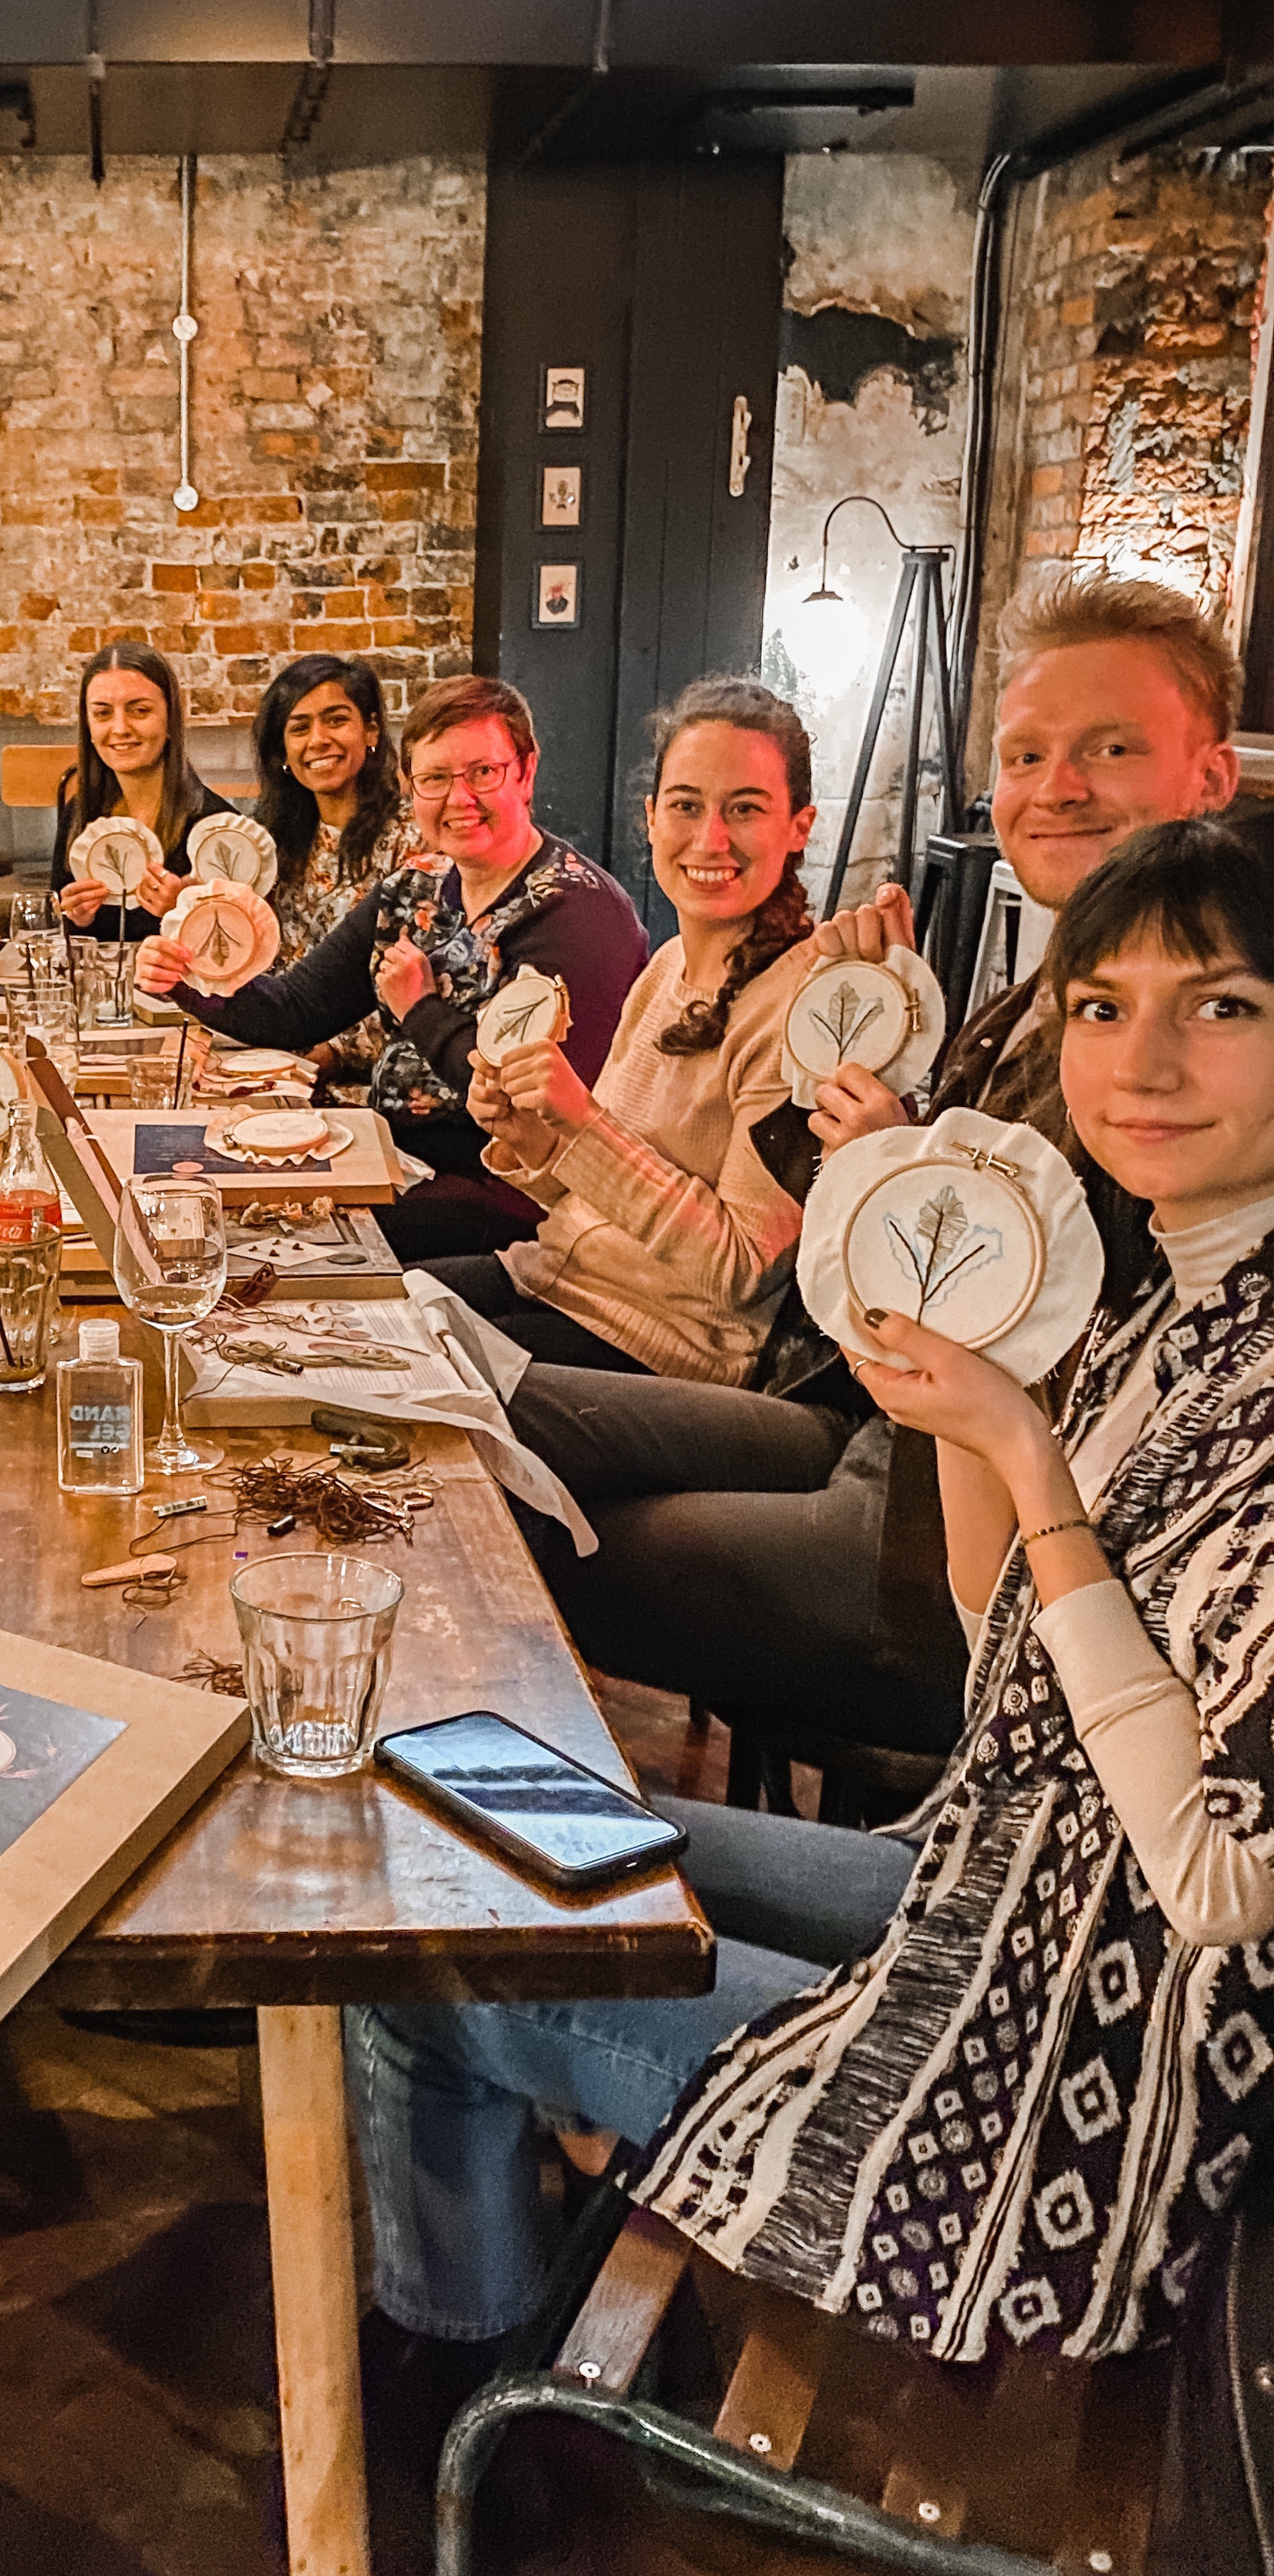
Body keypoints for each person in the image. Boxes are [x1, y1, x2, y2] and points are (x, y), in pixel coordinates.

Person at [352, 814, 1274, 2407]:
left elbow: (1214, 1879)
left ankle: (454, 2392)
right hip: (984, 1902)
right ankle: (499, 2307)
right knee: (455, 1813)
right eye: (1103, 1004)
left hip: (1069, 2085)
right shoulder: (1174, 1298)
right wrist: (954, 1410)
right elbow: (1012, 1665)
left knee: (405, 1934)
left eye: (1223, 1004)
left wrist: (1016, 1448)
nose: (1142, 1058)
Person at [509, 574, 1244, 1756]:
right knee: (485, 1443)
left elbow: (818, 1281)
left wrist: (888, 1153)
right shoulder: (1021, 1009)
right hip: (858, 1421)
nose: (1054, 787)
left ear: (1207, 778)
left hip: (950, 1539)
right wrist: (871, 1078)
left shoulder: (1182, 1073)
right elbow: (870, 1264)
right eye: (1023, 756)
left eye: (1105, 749)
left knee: (548, 1533)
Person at [136, 673, 646, 1264]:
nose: (459, 799)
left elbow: (530, 1106)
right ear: (409, 787)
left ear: (525, 772)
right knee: (191, 1198)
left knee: (258, 1244)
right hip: (393, 1153)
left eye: (483, 772)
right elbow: (294, 1011)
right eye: (434, 779)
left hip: (502, 1189)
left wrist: (419, 1010)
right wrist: (190, 975)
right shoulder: (416, 886)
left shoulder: (575, 911)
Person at [417, 678, 820, 1381]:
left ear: (799, 827)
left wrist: (582, 1123)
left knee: (395, 1383)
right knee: (355, 1319)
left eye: (745, 810)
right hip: (554, 1280)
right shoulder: (666, 968)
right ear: (651, 818)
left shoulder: (800, 1013)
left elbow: (739, 1276)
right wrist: (530, 1134)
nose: (710, 839)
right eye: (686, 807)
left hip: (659, 1348)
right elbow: (590, 1197)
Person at [249, 652, 418, 1083]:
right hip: (279, 1063)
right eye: (299, 728)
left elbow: (418, 984)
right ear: (283, 750)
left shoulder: (413, 839)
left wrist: (327, 1054)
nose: (318, 740)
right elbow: (260, 965)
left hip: (375, 1086)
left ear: (372, 730)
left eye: (336, 720)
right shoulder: (270, 841)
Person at [50, 641, 233, 943]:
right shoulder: (81, 811)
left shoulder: (213, 826)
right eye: (103, 713)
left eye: (140, 711)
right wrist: (77, 920)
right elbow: (66, 937)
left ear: (171, 719)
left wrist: (188, 912)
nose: (120, 728)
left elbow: (238, 955)